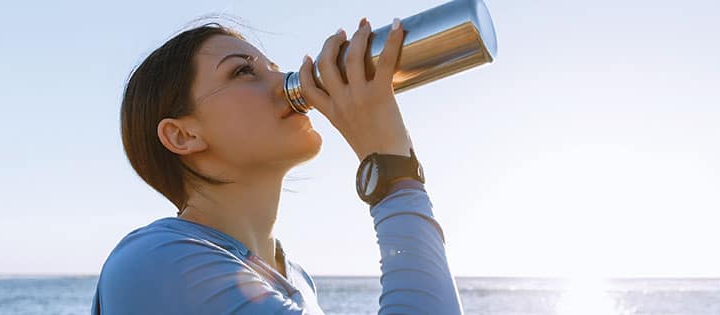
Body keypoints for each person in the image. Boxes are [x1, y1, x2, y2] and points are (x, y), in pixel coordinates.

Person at [91, 16, 462, 314]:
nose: (286, 81)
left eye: (275, 67)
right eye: (243, 72)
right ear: (183, 136)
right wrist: (390, 168)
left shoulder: (295, 280)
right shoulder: (157, 261)